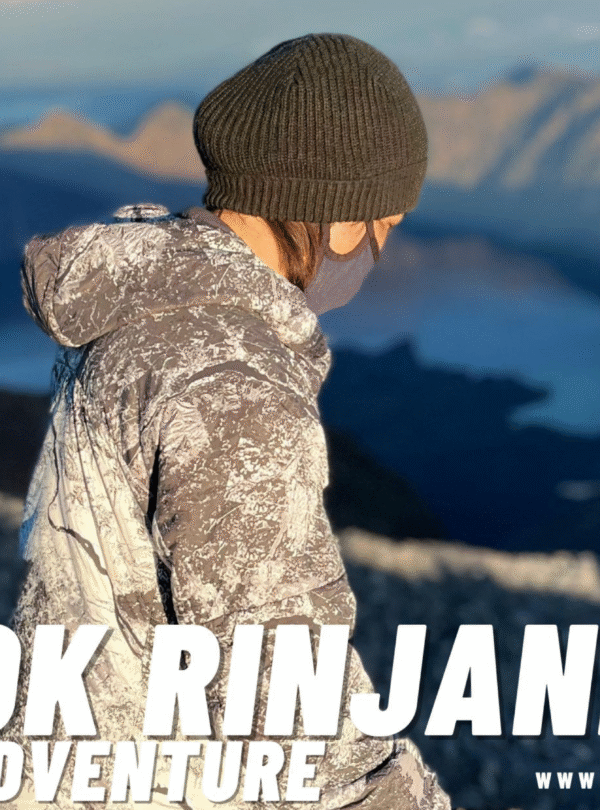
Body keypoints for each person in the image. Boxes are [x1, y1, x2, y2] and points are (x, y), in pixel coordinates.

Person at [3, 33, 451, 809]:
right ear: (339, 218)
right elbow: (287, 711)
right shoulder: (231, 386)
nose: (378, 248)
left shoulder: (136, 313)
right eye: (385, 224)